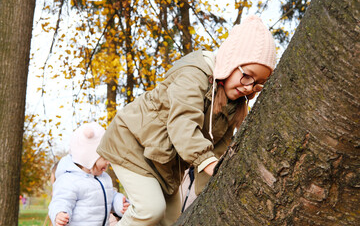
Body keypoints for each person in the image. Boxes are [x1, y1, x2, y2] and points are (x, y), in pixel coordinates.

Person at [97, 15, 276, 225]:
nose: (249, 86)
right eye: (247, 75)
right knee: (150, 210)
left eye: (258, 84)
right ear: (231, 62)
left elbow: (218, 147)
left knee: (172, 221)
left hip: (164, 163)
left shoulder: (232, 104)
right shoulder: (195, 74)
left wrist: (213, 187)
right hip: (132, 144)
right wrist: (208, 162)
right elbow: (183, 123)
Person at [48, 122, 130, 226]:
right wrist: (59, 214)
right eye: (105, 157)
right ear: (90, 158)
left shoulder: (104, 178)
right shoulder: (69, 180)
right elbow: (60, 200)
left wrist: (119, 204)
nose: (108, 162)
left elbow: (111, 196)